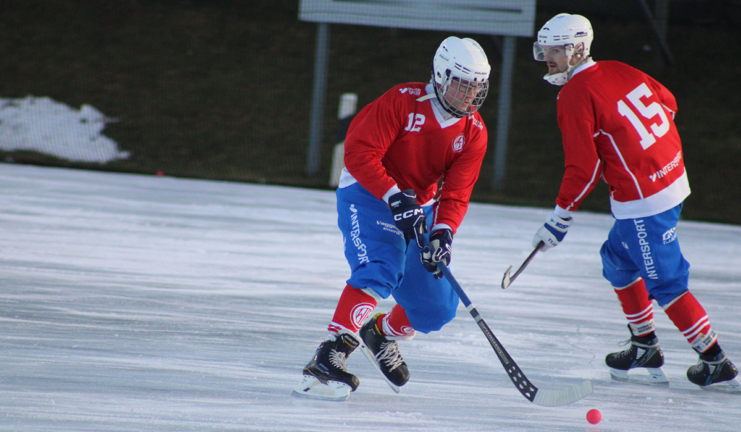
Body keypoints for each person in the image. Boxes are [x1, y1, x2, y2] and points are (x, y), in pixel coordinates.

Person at [530, 13, 739, 389]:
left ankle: (714, 360)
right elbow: (668, 103)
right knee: (618, 258)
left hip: (646, 200)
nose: (548, 57)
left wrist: (559, 219)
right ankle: (644, 344)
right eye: (545, 49)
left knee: (667, 281)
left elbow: (584, 166)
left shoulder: (575, 93)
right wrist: (650, 153)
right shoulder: (617, 68)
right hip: (670, 179)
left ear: (577, 49)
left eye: (556, 50)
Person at [293, 36, 491, 400]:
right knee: (381, 266)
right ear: (443, 75)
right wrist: (394, 198)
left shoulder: (474, 132)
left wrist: (443, 232)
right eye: (464, 84)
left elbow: (457, 192)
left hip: (421, 206)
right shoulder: (402, 101)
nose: (470, 95)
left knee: (436, 309)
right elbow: (359, 153)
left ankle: (379, 333)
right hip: (369, 194)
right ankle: (332, 352)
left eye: (477, 87)